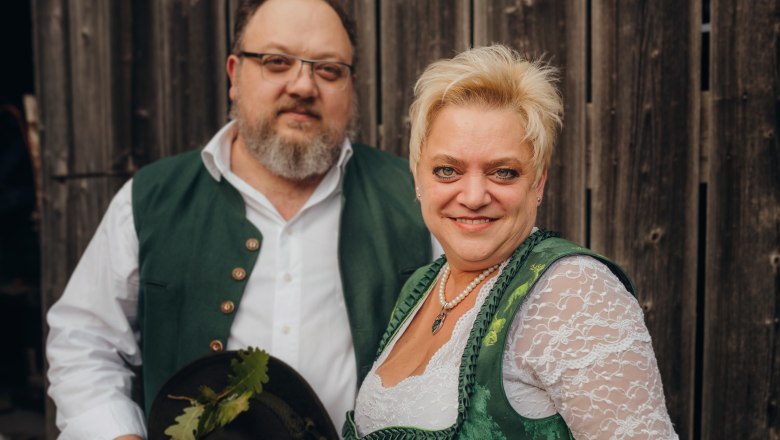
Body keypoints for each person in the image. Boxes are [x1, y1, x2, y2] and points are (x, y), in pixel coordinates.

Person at [45, 0, 434, 438]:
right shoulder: (150, 198)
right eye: (276, 62)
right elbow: (84, 343)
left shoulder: (419, 197)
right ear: (234, 74)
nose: (303, 85)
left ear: (351, 86)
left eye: (328, 70)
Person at [344, 45, 678, 439]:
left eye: (503, 172)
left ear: (538, 184)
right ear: (418, 178)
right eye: (447, 170)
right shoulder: (419, 288)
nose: (472, 196)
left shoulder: (572, 292)